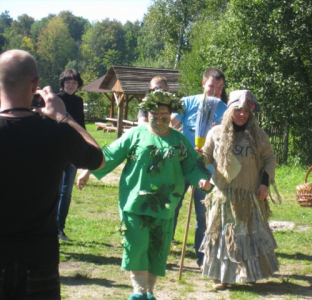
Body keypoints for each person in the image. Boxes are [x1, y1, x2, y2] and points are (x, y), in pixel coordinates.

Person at [76, 90, 212, 300]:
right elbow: (111, 154)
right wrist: (88, 170)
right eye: (154, 115)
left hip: (165, 205)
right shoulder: (136, 134)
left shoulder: (179, 140)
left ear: (171, 115)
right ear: (147, 115)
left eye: (164, 115)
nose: (159, 119)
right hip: (135, 203)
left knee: (157, 248)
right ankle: (138, 292)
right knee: (136, 245)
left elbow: (193, 166)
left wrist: (201, 180)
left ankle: (149, 292)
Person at [0, 49, 104, 299]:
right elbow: (98, 158)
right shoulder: (57, 133)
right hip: (39, 259)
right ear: (36, 84)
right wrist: (62, 116)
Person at [199, 90, 279, 289]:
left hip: (248, 195)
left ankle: (249, 274)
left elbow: (269, 159)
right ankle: (222, 276)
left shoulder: (258, 136)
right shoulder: (215, 133)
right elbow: (206, 158)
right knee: (223, 236)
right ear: (229, 111)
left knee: (248, 235)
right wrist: (201, 171)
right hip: (224, 195)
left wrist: (264, 183)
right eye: (237, 110)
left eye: (246, 111)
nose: (242, 115)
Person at [169, 67, 227, 269]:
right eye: (212, 86)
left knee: (203, 214)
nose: (215, 91)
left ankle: (202, 257)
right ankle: (163, 248)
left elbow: (227, 140)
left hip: (206, 169)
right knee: (172, 207)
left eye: (220, 87)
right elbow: (170, 126)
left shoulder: (224, 109)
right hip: (182, 165)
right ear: (204, 84)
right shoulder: (187, 102)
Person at [57, 68, 85, 241]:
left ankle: (60, 228)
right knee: (53, 190)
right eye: (68, 81)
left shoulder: (79, 101)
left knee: (66, 192)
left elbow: (81, 124)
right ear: (62, 83)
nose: (71, 85)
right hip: (55, 149)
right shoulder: (55, 99)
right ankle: (48, 227)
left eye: (74, 82)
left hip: (73, 151)